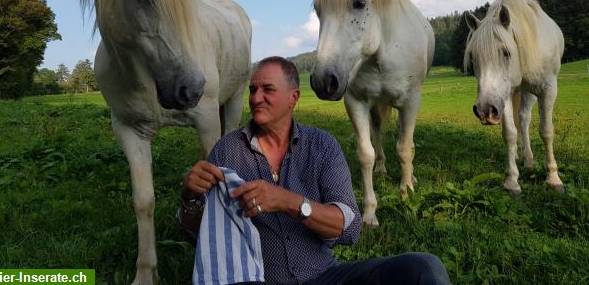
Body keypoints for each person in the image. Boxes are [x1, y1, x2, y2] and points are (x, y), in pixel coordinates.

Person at [178, 56, 450, 285]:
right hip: (256, 279)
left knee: (424, 268)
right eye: (252, 90)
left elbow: (349, 227)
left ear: (293, 97)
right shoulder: (228, 150)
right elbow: (201, 236)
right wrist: (190, 198)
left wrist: (287, 201)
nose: (256, 98)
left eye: (267, 90)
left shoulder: (321, 146)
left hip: (324, 276)